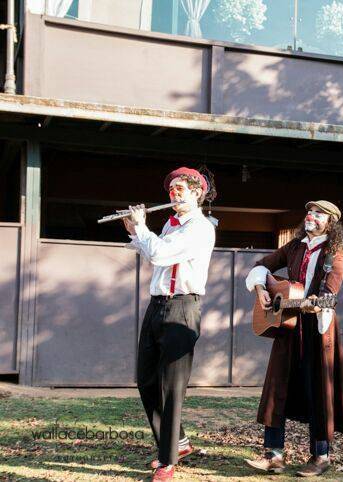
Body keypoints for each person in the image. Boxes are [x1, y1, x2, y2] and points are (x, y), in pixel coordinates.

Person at [244, 201, 343, 477]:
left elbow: (330, 288)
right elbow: (261, 266)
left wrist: (317, 301)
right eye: (309, 212)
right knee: (276, 386)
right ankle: (274, 455)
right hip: (288, 327)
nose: (311, 216)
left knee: (319, 389)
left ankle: (321, 455)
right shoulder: (294, 247)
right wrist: (261, 290)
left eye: (318, 213)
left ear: (330, 222)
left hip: (318, 329)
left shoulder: (333, 252)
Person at [124, 166, 216, 482]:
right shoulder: (169, 223)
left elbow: (161, 255)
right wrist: (136, 232)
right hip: (157, 305)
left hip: (183, 307)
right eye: (171, 189)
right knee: (146, 379)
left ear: (196, 193)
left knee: (171, 386)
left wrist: (143, 229)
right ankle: (179, 442)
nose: (173, 193)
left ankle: (168, 460)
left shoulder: (201, 228)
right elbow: (151, 251)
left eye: (180, 188)